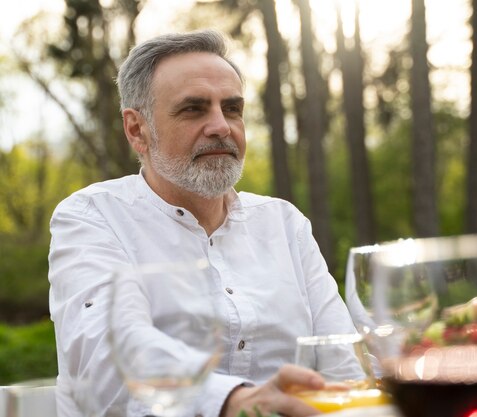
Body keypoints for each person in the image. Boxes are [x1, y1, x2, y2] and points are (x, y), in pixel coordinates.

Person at [48, 30, 359, 417]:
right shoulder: (92, 218)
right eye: (193, 109)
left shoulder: (284, 223)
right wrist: (235, 401)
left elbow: (343, 363)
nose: (221, 127)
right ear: (136, 130)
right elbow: (106, 357)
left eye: (232, 109)